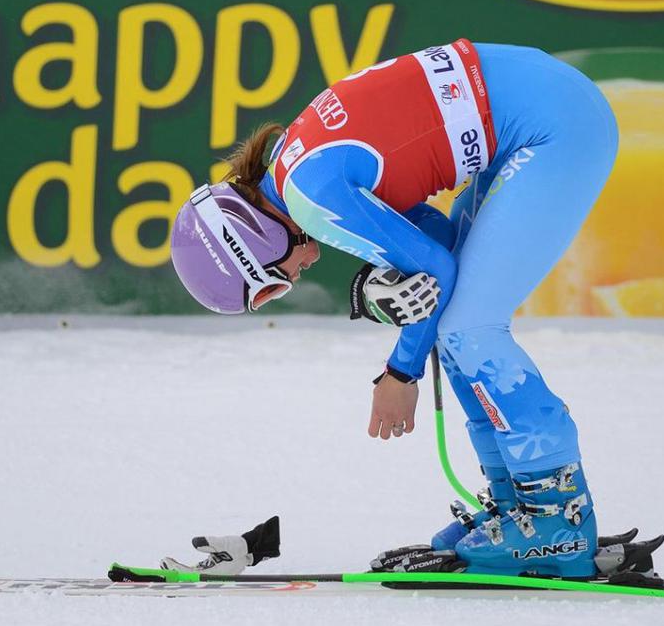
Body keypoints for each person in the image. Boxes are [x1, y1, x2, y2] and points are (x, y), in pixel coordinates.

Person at [169, 40, 618, 579]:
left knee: (470, 328)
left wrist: (400, 373)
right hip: (546, 105)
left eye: (267, 288)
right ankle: (517, 504)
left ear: (251, 243)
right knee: (453, 324)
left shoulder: (311, 200)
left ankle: (558, 520)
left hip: (555, 128)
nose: (290, 282)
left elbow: (436, 271)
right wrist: (398, 289)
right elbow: (434, 236)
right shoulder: (293, 169)